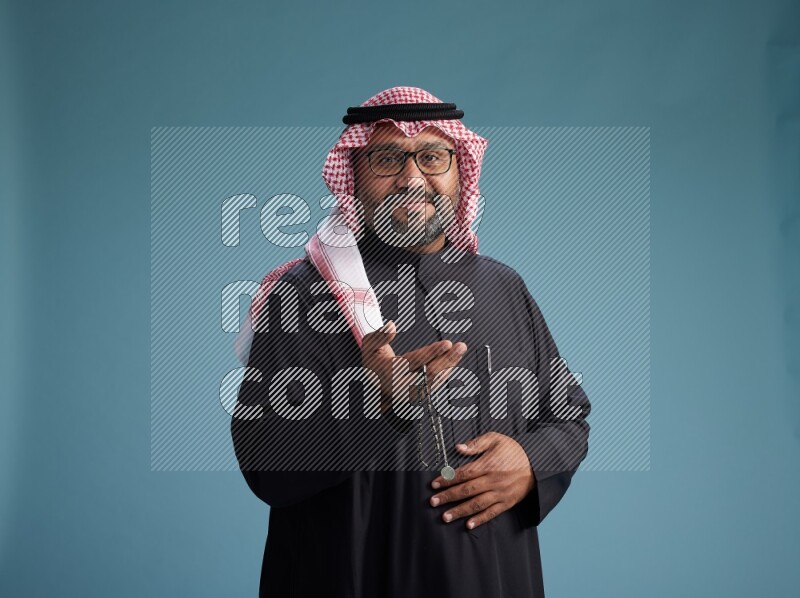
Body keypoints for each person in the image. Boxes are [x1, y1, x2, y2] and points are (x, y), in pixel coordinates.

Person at [231, 86, 591, 597]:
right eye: (387, 159)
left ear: (461, 171)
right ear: (353, 176)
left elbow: (569, 419)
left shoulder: (502, 287)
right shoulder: (304, 292)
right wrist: (378, 406)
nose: (412, 177)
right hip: (350, 576)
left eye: (432, 156)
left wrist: (531, 462)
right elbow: (267, 465)